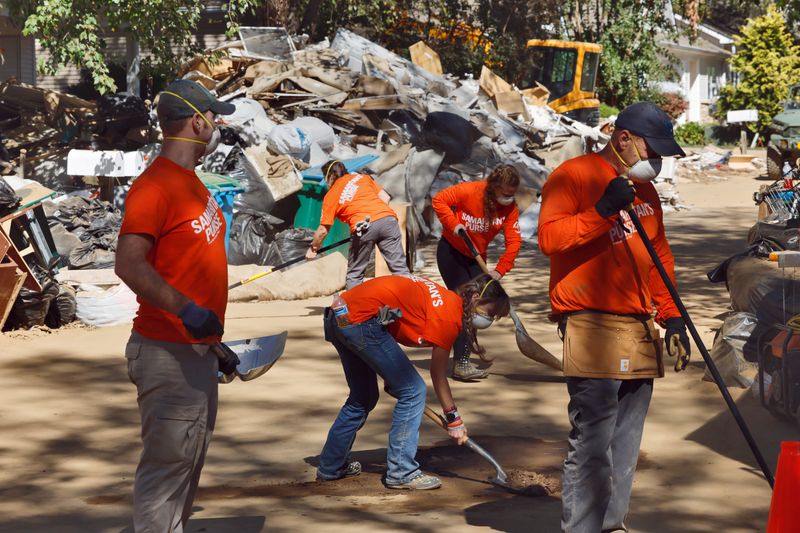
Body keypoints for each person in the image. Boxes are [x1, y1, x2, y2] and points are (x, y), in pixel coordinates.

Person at [537, 101, 691, 533]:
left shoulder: (645, 191)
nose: (656, 160)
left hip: (640, 324)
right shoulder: (574, 176)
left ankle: (610, 524)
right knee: (593, 439)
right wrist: (602, 210)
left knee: (627, 438)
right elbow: (549, 238)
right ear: (623, 139)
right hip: (591, 321)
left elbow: (658, 254)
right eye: (652, 149)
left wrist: (673, 315)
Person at [115, 79, 240, 532]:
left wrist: (213, 343)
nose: (218, 125)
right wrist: (187, 311)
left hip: (195, 349)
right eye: (214, 117)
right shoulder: (155, 186)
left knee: (186, 464)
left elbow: (186, 264)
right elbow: (129, 263)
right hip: (166, 352)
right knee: (166, 471)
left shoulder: (191, 183)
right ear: (196, 121)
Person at [317, 273, 510, 489]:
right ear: (475, 297)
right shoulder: (448, 316)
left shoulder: (443, 299)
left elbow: (390, 316)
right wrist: (454, 419)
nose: (489, 320)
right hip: (360, 321)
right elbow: (438, 375)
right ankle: (401, 471)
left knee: (363, 396)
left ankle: (331, 466)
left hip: (340, 316)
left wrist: (390, 373)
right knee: (414, 390)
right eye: (491, 313)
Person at [431, 164, 522, 381]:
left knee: (476, 305)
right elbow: (439, 200)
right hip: (451, 253)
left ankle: (464, 355)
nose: (509, 198)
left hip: (476, 257)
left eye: (512, 194)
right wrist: (453, 224)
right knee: (465, 304)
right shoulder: (470, 191)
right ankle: (461, 363)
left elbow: (514, 241)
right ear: (493, 187)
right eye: (506, 194)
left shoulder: (510, 208)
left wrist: (501, 270)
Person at [306, 160, 410, 288]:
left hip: (363, 227)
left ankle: (354, 307)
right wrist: (377, 219)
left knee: (355, 274)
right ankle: (412, 302)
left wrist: (313, 248)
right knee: (400, 269)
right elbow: (385, 197)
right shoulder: (362, 177)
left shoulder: (331, 195)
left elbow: (322, 230)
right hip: (388, 220)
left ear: (330, 176)